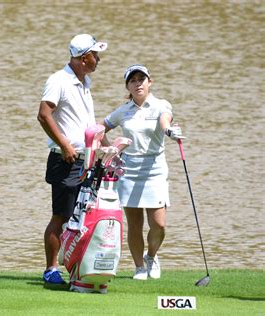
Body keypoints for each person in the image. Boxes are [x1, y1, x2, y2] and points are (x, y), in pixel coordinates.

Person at [101, 64, 184, 280]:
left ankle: (152, 256)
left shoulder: (160, 105)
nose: (138, 83)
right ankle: (139, 267)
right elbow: (100, 129)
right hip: (128, 170)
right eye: (133, 80)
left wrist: (169, 131)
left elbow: (165, 120)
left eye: (142, 79)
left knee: (159, 224)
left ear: (150, 82)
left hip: (154, 169)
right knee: (134, 224)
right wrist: (111, 151)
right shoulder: (123, 111)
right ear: (128, 86)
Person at [37, 34, 108, 284]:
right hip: (65, 159)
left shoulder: (85, 81)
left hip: (85, 158)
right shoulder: (59, 80)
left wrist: (106, 148)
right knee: (62, 216)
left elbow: (88, 124)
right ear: (82, 57)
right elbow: (44, 115)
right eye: (95, 55)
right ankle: (51, 270)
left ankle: (78, 267)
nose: (98, 59)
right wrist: (65, 144)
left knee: (84, 216)